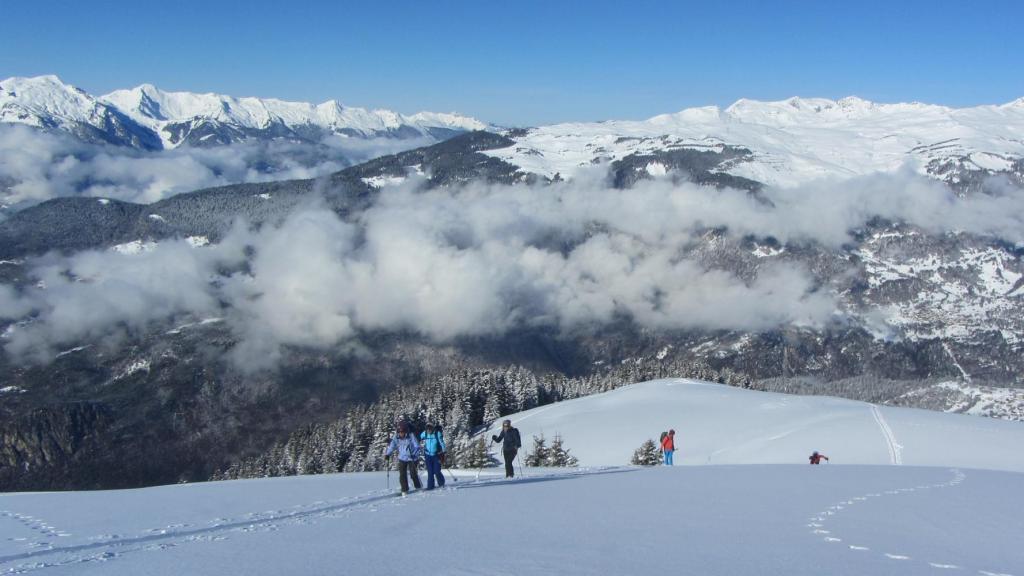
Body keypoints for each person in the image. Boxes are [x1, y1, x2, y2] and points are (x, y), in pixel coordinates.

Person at [384, 422, 422, 494]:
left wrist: (414, 454)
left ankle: (418, 486)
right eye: (400, 432)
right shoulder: (396, 437)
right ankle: (404, 489)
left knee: (413, 474)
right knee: (402, 475)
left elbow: (417, 446)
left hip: (412, 458)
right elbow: (392, 446)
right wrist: (387, 454)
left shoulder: (411, 436)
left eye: (402, 432)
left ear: (406, 431)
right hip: (402, 458)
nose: (401, 433)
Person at [420, 423, 446, 490]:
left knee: (437, 471)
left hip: (436, 455)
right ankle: (430, 486)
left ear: (432, 428)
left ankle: (441, 482)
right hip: (427, 455)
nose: (428, 430)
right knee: (430, 472)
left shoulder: (437, 434)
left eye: (430, 429)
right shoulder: (425, 433)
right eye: (427, 429)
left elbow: (441, 442)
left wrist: (443, 451)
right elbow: (420, 437)